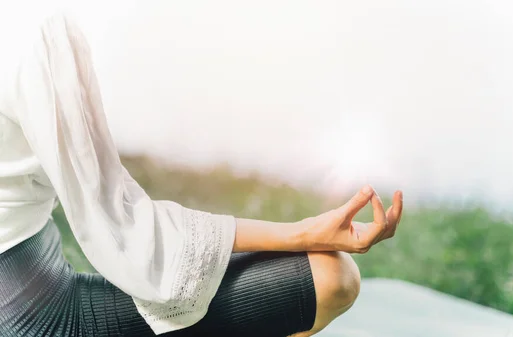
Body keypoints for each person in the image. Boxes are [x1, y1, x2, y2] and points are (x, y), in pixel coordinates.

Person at [0, 7, 403, 337]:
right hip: (30, 317)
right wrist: (304, 233)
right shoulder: (33, 31)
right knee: (331, 277)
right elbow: (130, 239)